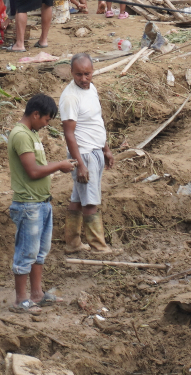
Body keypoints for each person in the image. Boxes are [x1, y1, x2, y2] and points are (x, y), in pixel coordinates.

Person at [7, 93, 74, 313]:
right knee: (27, 252)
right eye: (46, 120)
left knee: (39, 252)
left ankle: (36, 295)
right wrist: (59, 166)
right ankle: (20, 300)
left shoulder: (32, 134)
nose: (46, 124)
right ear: (36, 114)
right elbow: (33, 171)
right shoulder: (20, 135)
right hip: (29, 204)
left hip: (41, 203)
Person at [60, 53, 116, 254]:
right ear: (71, 73)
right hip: (83, 154)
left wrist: (106, 149)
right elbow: (69, 134)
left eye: (87, 74)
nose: (83, 79)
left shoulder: (91, 89)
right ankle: (98, 246)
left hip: (95, 151)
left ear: (93, 72)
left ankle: (73, 243)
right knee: (90, 201)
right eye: (78, 75)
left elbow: (96, 122)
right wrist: (80, 164)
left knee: (78, 198)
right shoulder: (70, 97)